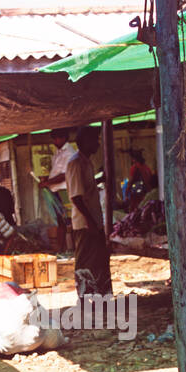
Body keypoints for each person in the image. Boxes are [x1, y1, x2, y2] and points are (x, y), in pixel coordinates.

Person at [68, 126, 112, 297]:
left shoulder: (86, 162)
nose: (98, 143)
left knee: (98, 260)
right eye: (95, 140)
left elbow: (86, 188)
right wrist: (91, 222)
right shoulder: (75, 163)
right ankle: (85, 297)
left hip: (93, 220)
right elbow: (76, 197)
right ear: (86, 142)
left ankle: (99, 295)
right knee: (85, 261)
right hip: (85, 224)